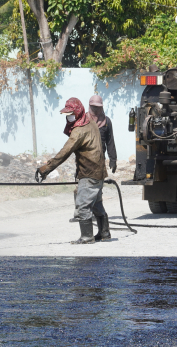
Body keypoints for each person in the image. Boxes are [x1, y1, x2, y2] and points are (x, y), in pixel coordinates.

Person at [37, 98, 111, 244]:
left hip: (89, 173)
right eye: (67, 114)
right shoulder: (90, 122)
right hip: (99, 172)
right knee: (96, 205)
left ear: (77, 112)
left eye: (70, 114)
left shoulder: (79, 130)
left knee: (83, 206)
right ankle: (104, 234)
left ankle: (87, 237)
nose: (68, 117)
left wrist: (46, 169)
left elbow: (65, 152)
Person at [69, 95, 117, 222]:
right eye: (94, 107)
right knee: (81, 187)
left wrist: (113, 159)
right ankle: (80, 213)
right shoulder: (83, 120)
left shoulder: (106, 122)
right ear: (89, 106)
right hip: (84, 159)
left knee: (96, 189)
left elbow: (110, 142)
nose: (96, 110)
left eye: (98, 107)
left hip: (99, 160)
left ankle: (94, 214)